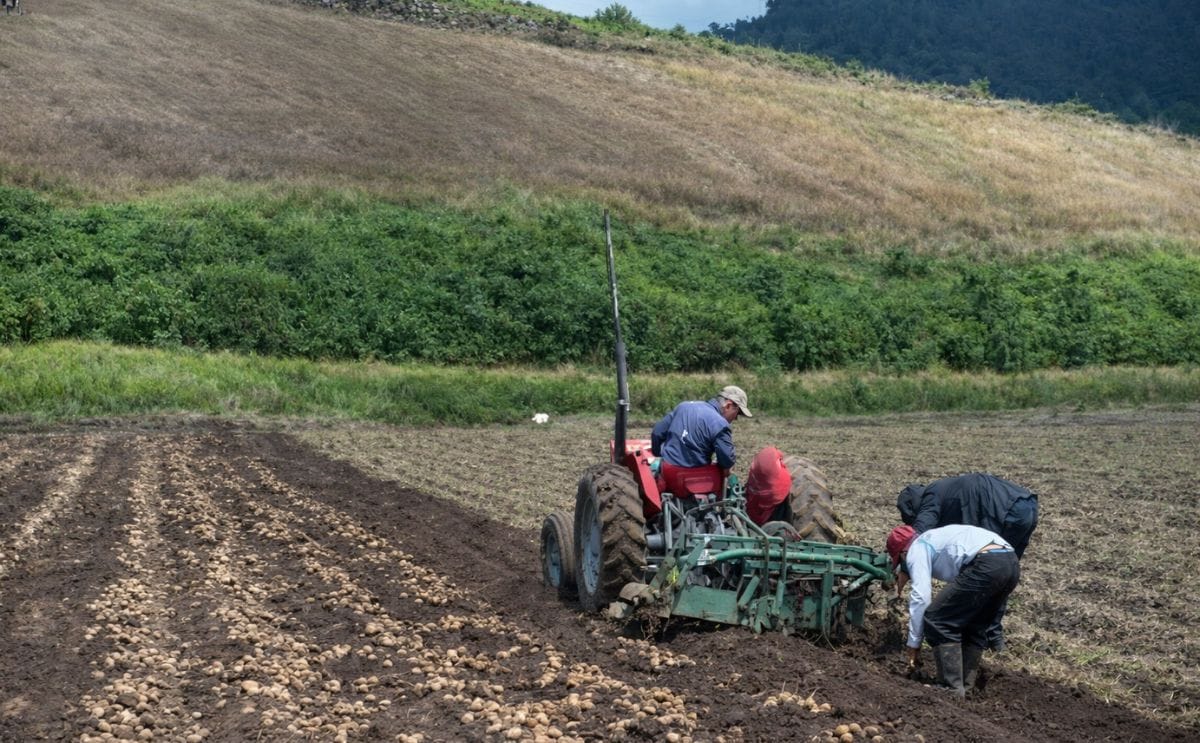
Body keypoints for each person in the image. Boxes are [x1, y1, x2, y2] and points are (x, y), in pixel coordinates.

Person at [897, 472, 1038, 650]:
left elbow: (918, 535)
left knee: (987, 572)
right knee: (999, 577)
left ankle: (972, 637)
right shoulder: (948, 491)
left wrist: (904, 567)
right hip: (1027, 507)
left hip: (1002, 510)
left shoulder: (930, 495)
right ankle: (994, 640)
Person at [886, 523, 1021, 698]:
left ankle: (950, 688)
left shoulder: (916, 548)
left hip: (986, 562)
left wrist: (914, 643)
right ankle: (965, 686)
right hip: (1010, 562)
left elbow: (921, 598)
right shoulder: (933, 537)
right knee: (974, 624)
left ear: (903, 553)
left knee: (937, 619)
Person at [650, 385, 751, 499]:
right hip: (696, 480)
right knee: (724, 471)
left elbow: (657, 433)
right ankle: (719, 506)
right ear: (728, 405)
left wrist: (659, 455)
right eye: (737, 414)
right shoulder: (720, 424)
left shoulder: (683, 406)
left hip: (669, 472)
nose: (735, 419)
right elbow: (727, 460)